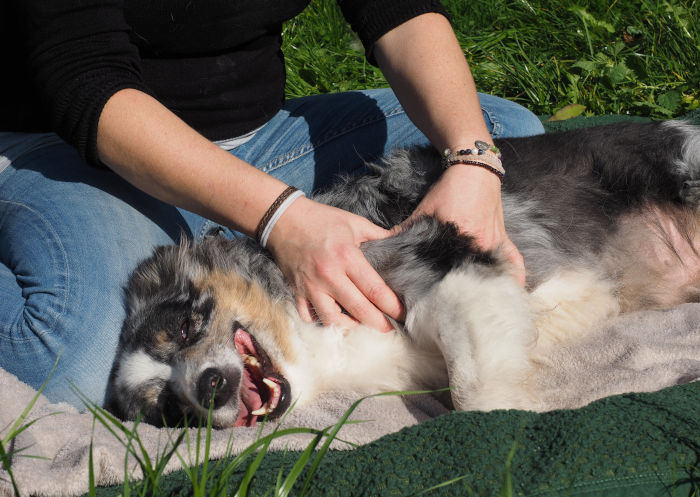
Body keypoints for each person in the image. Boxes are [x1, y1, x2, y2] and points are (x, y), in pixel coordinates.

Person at [0, 1, 544, 408]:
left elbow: (397, 11)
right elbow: (86, 85)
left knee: (505, 137)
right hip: (82, 155)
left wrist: (472, 158)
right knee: (70, 365)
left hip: (262, 144)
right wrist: (283, 218)